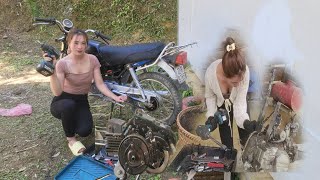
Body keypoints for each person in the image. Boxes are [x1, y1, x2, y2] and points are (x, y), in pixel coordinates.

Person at [45, 28, 127, 156]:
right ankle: (71, 139)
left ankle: (71, 119)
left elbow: (100, 84)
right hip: (62, 100)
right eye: (76, 43)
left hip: (81, 99)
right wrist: (52, 73)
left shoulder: (93, 59)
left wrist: (115, 97)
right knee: (68, 106)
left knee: (85, 131)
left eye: (83, 43)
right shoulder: (62, 63)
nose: (80, 46)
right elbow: (57, 92)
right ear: (69, 44)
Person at [204, 37, 257, 149]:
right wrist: (211, 116)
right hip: (221, 106)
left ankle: (246, 157)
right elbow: (210, 96)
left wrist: (246, 123)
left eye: (240, 81)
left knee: (246, 137)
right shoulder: (210, 74)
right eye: (234, 82)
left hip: (238, 101)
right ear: (225, 76)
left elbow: (240, 104)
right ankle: (230, 159)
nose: (238, 85)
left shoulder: (245, 72)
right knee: (226, 142)